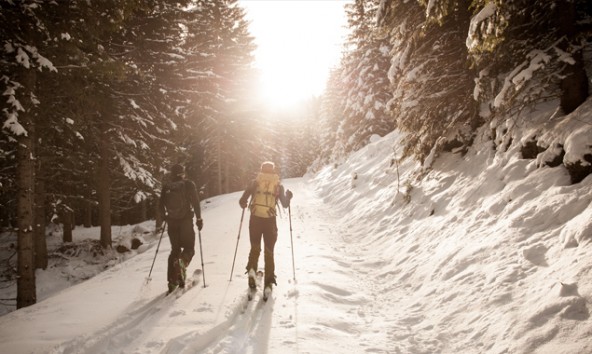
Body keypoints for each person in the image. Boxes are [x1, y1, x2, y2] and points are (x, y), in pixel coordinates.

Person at [239, 161, 293, 296]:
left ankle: (252, 270)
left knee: (255, 247)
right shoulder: (278, 185)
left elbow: (242, 201)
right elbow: (285, 205)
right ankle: (268, 284)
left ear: (261, 170)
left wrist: (245, 203)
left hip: (255, 219)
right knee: (269, 251)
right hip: (270, 221)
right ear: (273, 171)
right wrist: (289, 197)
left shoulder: (255, 182)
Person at [159, 164, 203, 293]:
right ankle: (182, 262)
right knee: (189, 248)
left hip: (172, 223)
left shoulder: (166, 187)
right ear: (182, 173)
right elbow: (195, 202)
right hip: (185, 222)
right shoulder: (188, 184)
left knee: (175, 250)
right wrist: (199, 218)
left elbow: (160, 206)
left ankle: (172, 282)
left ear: (172, 174)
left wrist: (165, 218)